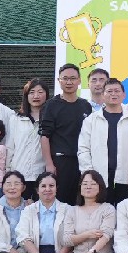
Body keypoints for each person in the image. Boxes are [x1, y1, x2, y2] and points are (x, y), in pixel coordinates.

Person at [77, 78, 128, 205]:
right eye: (109, 91)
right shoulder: (91, 120)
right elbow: (83, 149)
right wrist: (89, 174)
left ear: (124, 95)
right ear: (102, 95)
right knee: (101, 212)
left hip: (127, 178)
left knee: (126, 211)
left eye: (117, 91)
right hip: (99, 178)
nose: (113, 94)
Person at [41, 63, 93, 204]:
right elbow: (44, 135)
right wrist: (49, 164)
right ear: (59, 81)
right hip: (60, 161)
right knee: (61, 201)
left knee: (81, 200)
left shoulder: (85, 105)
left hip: (82, 161)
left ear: (79, 80)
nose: (69, 82)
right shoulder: (51, 105)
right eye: (65, 78)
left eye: (73, 78)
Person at [58, 170, 117, 253]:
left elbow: (106, 234)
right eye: (85, 184)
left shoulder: (108, 209)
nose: (88, 187)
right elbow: (67, 240)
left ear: (100, 187)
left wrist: (93, 251)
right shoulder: (72, 210)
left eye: (93, 184)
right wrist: (87, 234)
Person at [7, 78, 49, 183]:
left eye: (40, 92)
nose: (36, 96)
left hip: (42, 176)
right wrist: (8, 171)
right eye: (32, 92)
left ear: (47, 95)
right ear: (26, 95)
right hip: (19, 175)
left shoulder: (51, 119)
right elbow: (10, 147)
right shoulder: (15, 119)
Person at [12, 172, 59, 253]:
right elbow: (22, 235)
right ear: (37, 190)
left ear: (56, 189)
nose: (47, 189)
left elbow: (70, 237)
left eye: (51, 186)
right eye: (43, 186)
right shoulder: (28, 210)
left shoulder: (67, 210)